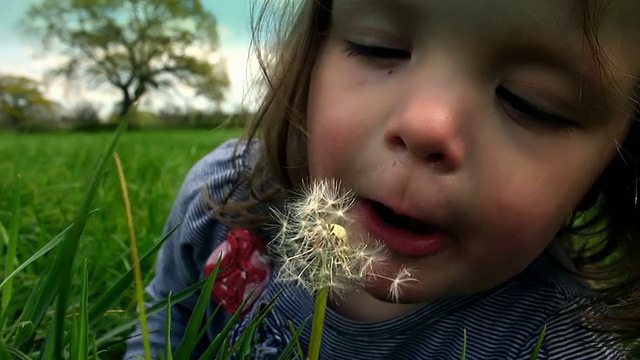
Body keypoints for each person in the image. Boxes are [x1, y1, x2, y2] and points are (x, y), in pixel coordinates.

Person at [125, 0, 640, 358]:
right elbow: (166, 325)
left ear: (613, 167)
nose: (426, 125)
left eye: (530, 102)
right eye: (379, 48)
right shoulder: (220, 201)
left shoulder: (553, 346)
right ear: (313, 54)